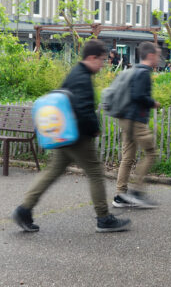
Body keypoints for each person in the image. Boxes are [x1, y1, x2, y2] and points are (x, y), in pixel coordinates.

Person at [12, 40, 130, 233]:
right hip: (77, 136)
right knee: (95, 172)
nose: (102, 65)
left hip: (63, 133)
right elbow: (84, 109)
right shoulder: (83, 77)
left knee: (52, 172)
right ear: (91, 58)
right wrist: (94, 129)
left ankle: (24, 209)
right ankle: (103, 218)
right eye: (101, 60)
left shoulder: (74, 73)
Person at [113, 42, 161, 208]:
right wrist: (152, 103)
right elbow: (138, 95)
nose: (159, 58)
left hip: (126, 118)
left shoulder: (134, 70)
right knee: (152, 153)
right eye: (157, 55)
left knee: (128, 157)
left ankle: (120, 195)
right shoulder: (143, 73)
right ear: (150, 55)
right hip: (135, 120)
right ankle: (137, 192)